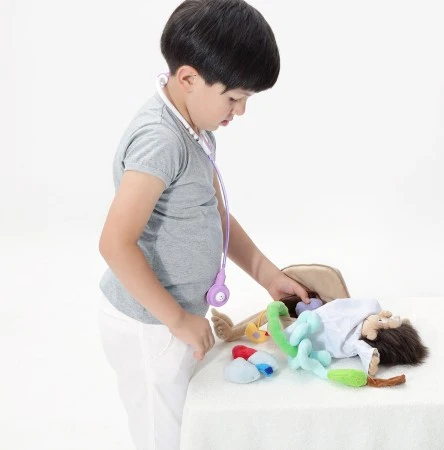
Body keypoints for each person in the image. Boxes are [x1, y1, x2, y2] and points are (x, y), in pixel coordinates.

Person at [97, 1, 309, 448]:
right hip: (150, 324)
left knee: (191, 424)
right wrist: (176, 319)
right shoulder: (161, 140)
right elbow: (115, 244)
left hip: (175, 319)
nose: (241, 111)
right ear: (189, 79)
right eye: (234, 98)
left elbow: (215, 211)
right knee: (164, 436)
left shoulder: (196, 127)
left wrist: (267, 274)